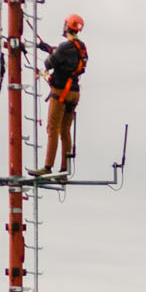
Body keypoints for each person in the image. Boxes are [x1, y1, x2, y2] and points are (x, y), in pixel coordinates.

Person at [37, 14, 86, 175]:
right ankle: (64, 170)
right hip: (74, 93)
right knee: (65, 131)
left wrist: (53, 53)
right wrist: (52, 49)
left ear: (66, 27)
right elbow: (68, 60)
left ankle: (47, 167)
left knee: (53, 129)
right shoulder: (81, 47)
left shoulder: (65, 47)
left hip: (60, 93)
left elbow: (48, 63)